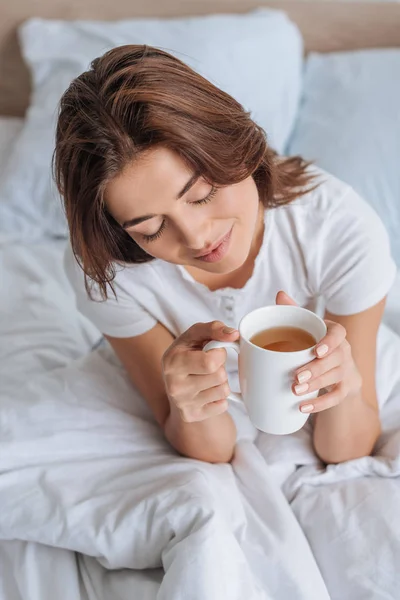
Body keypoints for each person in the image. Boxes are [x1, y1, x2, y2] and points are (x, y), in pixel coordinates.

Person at [55, 44, 396, 466]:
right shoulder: (108, 271)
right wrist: (186, 405)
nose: (198, 239)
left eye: (203, 193)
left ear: (234, 143)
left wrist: (340, 389)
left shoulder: (337, 227)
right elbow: (211, 450)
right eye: (151, 228)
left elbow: (347, 448)